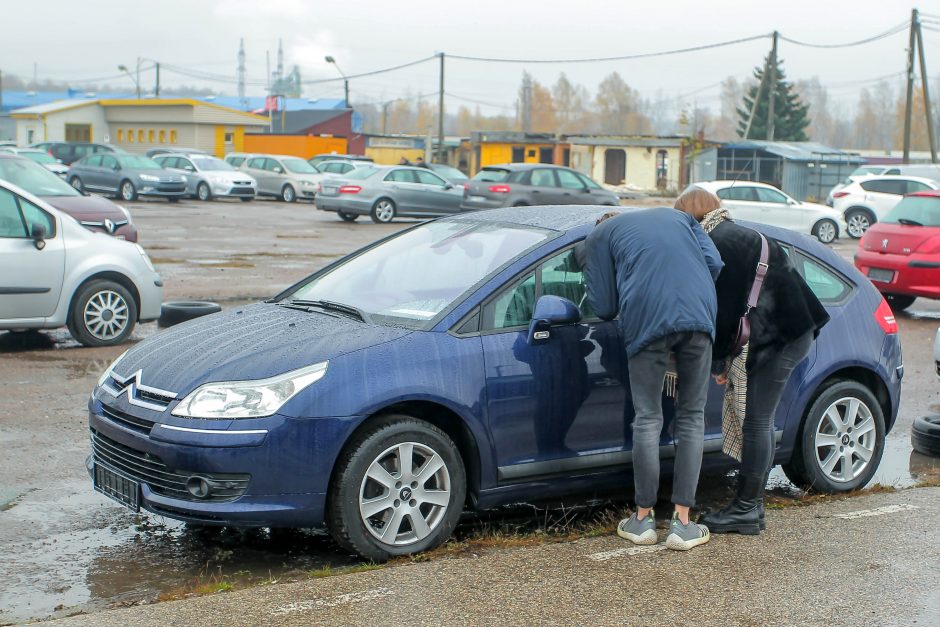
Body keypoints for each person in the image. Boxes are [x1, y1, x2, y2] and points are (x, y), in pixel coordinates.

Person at [674, 188, 829, 535]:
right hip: (791, 328)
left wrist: (716, 364)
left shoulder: (718, 243)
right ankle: (752, 507)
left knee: (757, 420)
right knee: (759, 419)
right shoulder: (736, 233)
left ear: (690, 216)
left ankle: (746, 509)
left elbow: (724, 309)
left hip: (779, 335)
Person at [581, 207, 723, 551]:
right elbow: (715, 264)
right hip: (699, 316)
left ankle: (642, 520)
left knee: (647, 418)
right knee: (691, 416)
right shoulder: (679, 216)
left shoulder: (599, 236)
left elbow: (603, 306)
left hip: (647, 320)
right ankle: (682, 524)